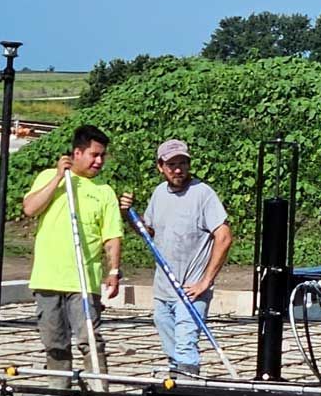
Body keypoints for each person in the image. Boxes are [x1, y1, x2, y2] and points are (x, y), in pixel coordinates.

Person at [119, 138, 232, 376]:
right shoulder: (159, 193)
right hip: (163, 289)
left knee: (185, 346)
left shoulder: (203, 194)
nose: (178, 170)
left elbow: (224, 237)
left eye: (183, 163)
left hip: (191, 289)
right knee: (172, 350)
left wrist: (205, 281)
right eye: (172, 165)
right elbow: (147, 232)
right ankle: (175, 385)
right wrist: (128, 215)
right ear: (161, 166)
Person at [22, 124, 124, 376]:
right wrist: (58, 178)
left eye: (102, 156)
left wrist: (114, 270)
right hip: (49, 278)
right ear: (77, 153)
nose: (99, 161)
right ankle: (59, 392)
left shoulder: (104, 192)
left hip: (83, 281)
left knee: (90, 339)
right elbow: (30, 208)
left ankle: (99, 392)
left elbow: (111, 236)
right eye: (94, 155)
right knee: (55, 343)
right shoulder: (49, 177)